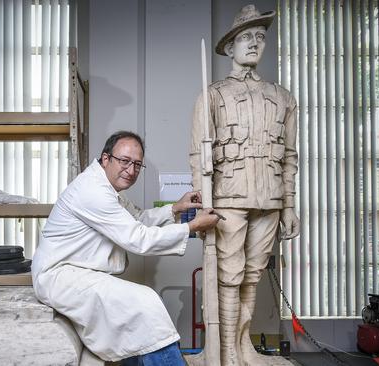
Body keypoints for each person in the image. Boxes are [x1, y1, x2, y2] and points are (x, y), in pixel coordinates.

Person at [32, 130, 220, 365]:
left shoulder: (108, 190)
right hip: (58, 275)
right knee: (144, 303)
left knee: (135, 314)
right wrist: (191, 227)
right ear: (106, 159)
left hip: (77, 272)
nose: (131, 170)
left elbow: (137, 218)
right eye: (124, 161)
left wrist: (175, 208)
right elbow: (138, 238)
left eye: (137, 165)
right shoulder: (93, 191)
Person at [189, 5, 300, 366]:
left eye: (260, 37)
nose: (254, 43)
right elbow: (197, 155)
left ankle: (243, 346)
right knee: (229, 274)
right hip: (227, 199)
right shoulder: (213, 96)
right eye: (246, 37)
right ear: (230, 47)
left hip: (269, 197)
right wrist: (202, 205)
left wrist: (290, 205)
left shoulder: (283, 98)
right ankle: (223, 352)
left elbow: (290, 157)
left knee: (251, 275)